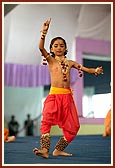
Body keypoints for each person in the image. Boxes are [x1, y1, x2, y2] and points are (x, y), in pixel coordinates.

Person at [33, 18, 104, 158]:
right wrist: (44, 33)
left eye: (61, 45)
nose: (59, 47)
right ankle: (45, 150)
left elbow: (84, 69)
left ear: (65, 48)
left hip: (67, 98)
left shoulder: (70, 63)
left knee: (74, 126)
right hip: (54, 96)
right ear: (52, 49)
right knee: (46, 121)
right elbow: (41, 48)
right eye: (55, 45)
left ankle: (58, 149)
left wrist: (95, 70)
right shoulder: (50, 60)